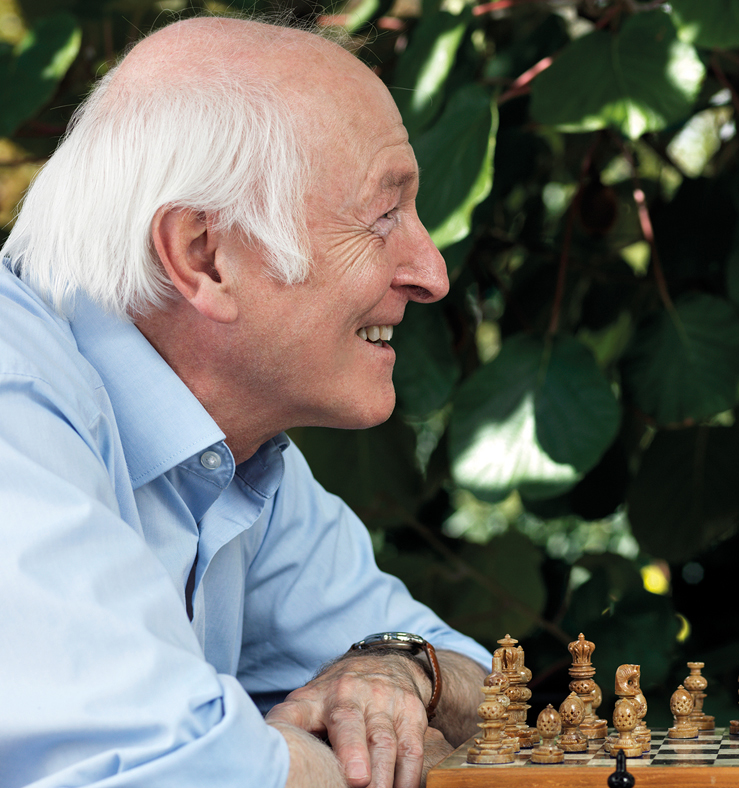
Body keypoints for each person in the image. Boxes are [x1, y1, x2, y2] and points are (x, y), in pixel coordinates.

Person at [0, 17, 493, 788]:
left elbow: (488, 695)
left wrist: (403, 669)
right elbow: (166, 771)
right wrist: (321, 761)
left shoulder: (231, 450)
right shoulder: (13, 401)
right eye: (383, 215)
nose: (432, 272)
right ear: (203, 257)